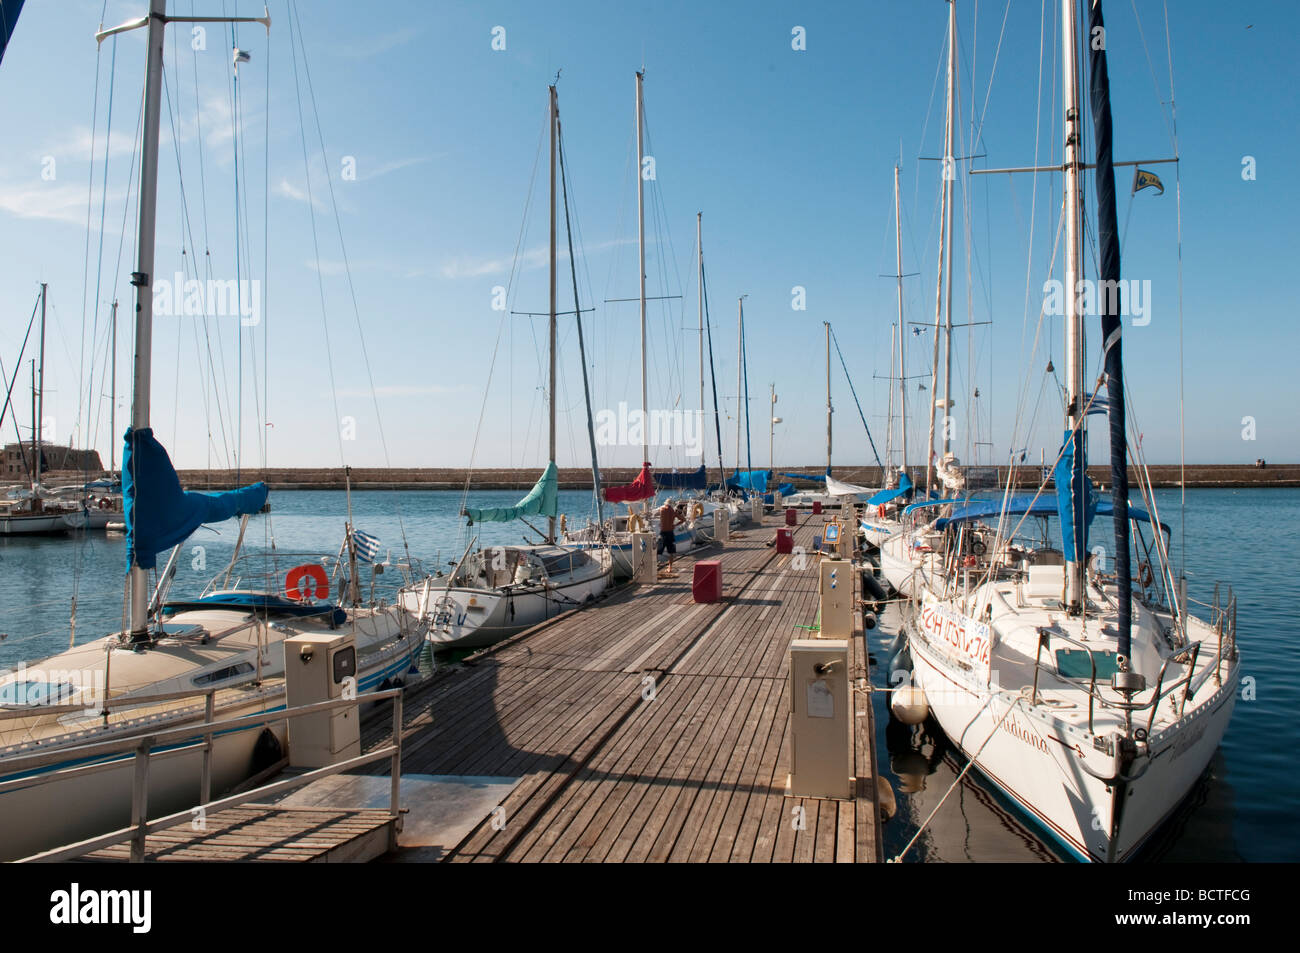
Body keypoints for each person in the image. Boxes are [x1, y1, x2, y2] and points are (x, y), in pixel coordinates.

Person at [658, 500, 678, 575]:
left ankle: (655, 566)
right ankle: (670, 567)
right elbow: (683, 519)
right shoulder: (673, 511)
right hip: (670, 532)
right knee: (671, 552)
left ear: (665, 504)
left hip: (663, 532)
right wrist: (675, 525)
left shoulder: (661, 509)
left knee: (657, 550)